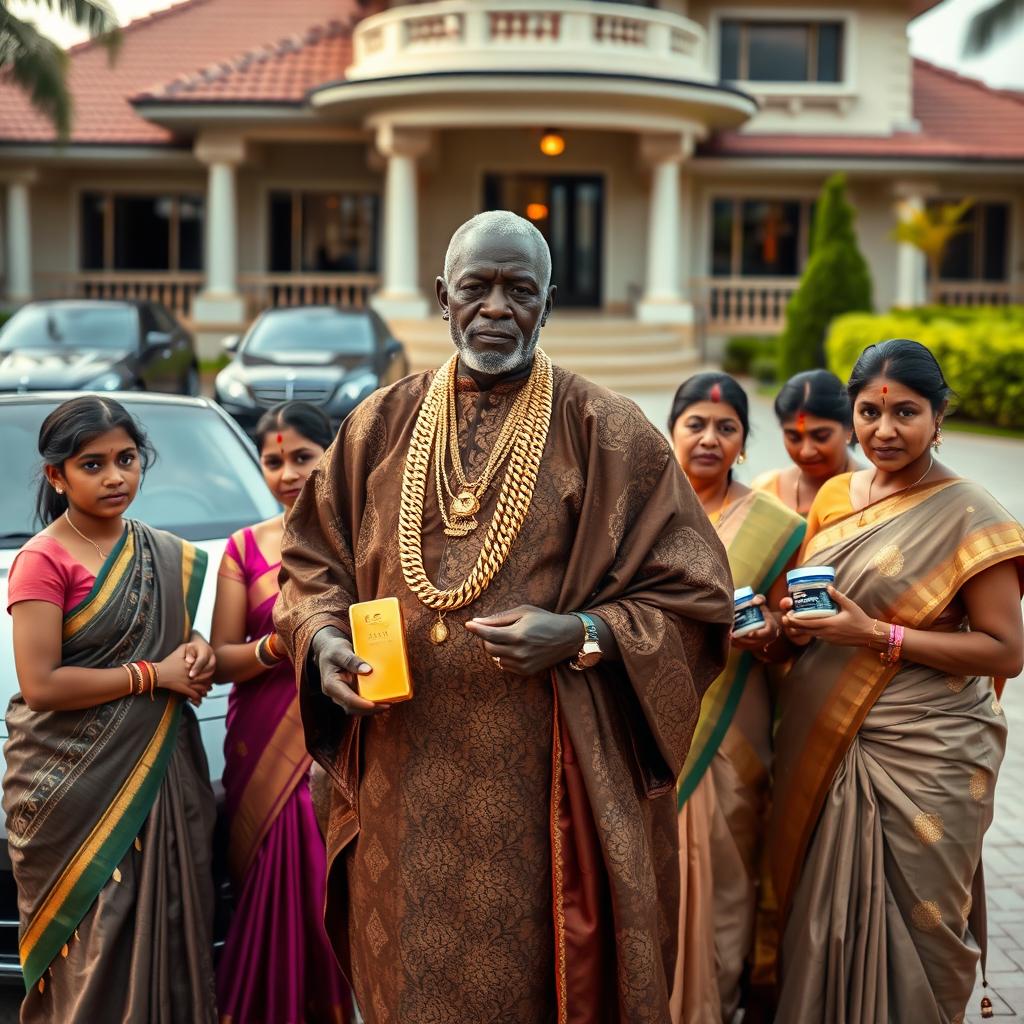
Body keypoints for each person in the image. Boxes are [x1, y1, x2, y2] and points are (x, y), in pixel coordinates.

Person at [273, 210, 735, 1024]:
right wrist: (324, 639)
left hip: (546, 789)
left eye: (519, 290)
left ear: (548, 303)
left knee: (534, 986)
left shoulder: (610, 432)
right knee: (407, 986)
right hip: (402, 783)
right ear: (444, 298)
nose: (496, 308)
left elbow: (695, 595)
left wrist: (583, 634)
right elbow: (311, 563)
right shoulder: (376, 426)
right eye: (477, 288)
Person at [763, 339, 1024, 1023]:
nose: (884, 430)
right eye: (869, 412)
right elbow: (818, 610)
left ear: (939, 419)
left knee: (919, 922)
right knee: (823, 913)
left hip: (925, 752)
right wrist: (786, 629)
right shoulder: (835, 496)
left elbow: (1006, 651)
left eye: (906, 412)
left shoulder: (973, 514)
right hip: (824, 737)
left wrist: (877, 636)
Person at [3, 396, 218, 1023]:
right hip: (72, 786)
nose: (116, 476)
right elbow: (41, 684)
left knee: (171, 926)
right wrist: (155, 673)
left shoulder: (165, 553)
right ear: (56, 476)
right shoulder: (42, 560)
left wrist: (197, 653)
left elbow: (179, 643)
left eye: (126, 459)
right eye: (92, 465)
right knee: (95, 944)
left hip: (161, 777)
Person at [666, 372, 805, 1023]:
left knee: (724, 876)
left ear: (744, 443)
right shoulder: (645, 511)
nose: (709, 438)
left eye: (726, 428)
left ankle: (714, 1007)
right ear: (672, 432)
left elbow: (785, 640)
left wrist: (772, 633)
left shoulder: (774, 524)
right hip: (652, 725)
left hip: (731, 726)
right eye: (696, 424)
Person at [210, 401, 351, 1023]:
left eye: (302, 456)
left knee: (325, 882)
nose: (288, 472)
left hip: (334, 741)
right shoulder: (244, 548)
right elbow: (221, 658)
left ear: (331, 456)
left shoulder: (359, 542)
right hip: (263, 738)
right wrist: (281, 643)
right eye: (273, 460)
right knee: (269, 877)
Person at [752, 369, 857, 517]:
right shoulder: (764, 491)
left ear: (849, 429)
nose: (806, 451)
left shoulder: (873, 496)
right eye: (794, 437)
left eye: (821, 436)